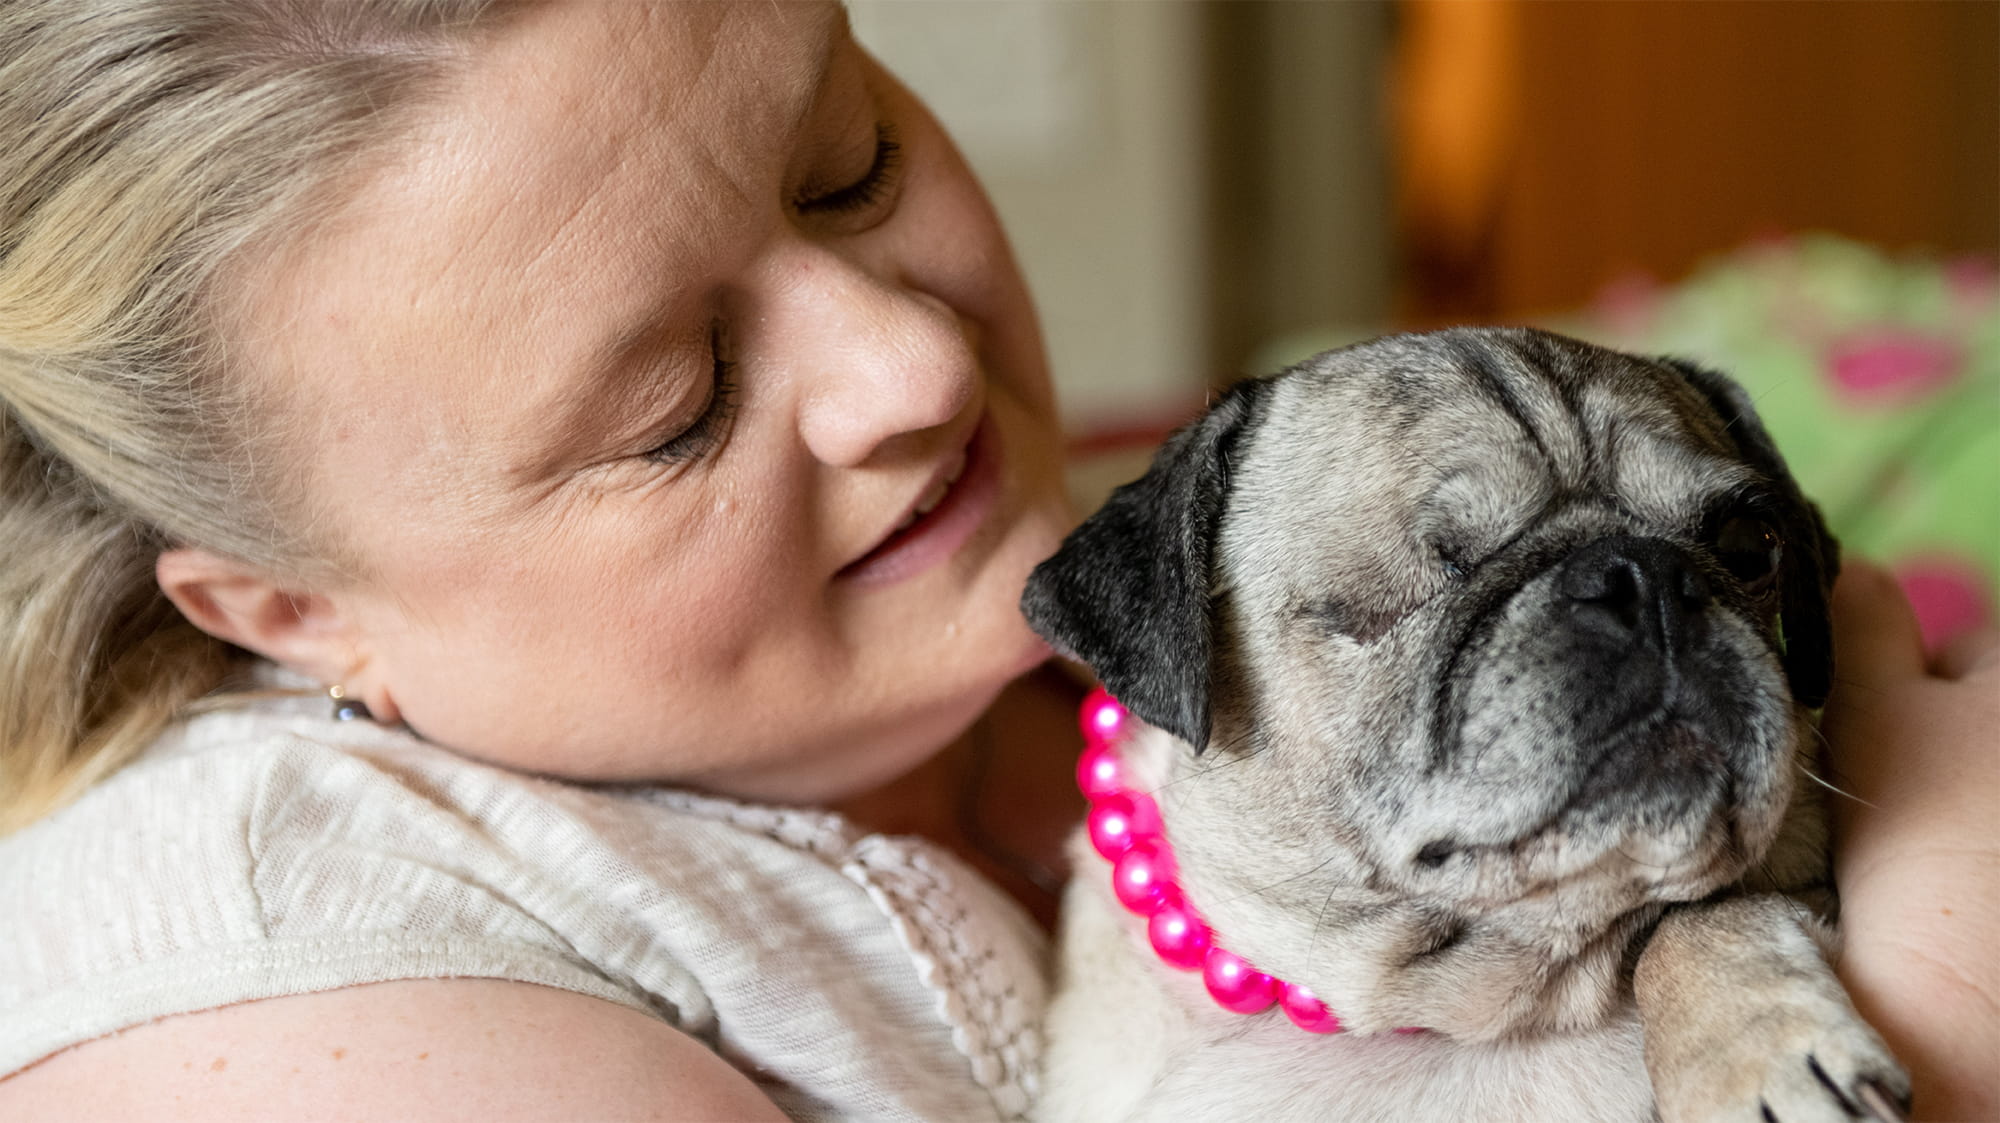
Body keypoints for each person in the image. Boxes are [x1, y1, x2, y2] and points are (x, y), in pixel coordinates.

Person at [0, 2, 1990, 1119]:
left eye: (848, 161)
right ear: (290, 612)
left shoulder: (1132, 584)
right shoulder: (305, 1024)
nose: (914, 361)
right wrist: (1932, 982)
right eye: (673, 405)